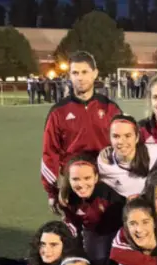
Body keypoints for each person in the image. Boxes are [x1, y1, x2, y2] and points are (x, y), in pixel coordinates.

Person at [41, 51, 122, 215]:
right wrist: (52, 191)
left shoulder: (110, 108)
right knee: (74, 233)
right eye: (75, 73)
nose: (80, 77)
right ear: (69, 76)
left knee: (107, 230)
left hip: (105, 180)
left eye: (84, 72)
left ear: (95, 73)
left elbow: (123, 145)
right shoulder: (58, 112)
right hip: (74, 182)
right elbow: (50, 152)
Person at [59, 154, 126, 265]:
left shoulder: (110, 196)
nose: (81, 184)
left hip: (115, 232)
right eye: (75, 179)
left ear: (96, 178)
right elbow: (74, 227)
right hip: (91, 232)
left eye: (87, 178)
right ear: (68, 179)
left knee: (109, 264)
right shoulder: (67, 199)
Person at [97, 115, 157, 198]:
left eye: (127, 136)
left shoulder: (155, 153)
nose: (121, 141)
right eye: (116, 136)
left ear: (137, 137)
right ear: (110, 138)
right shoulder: (104, 162)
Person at [110, 197, 157, 265]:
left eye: (145, 222)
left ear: (155, 222)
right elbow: (116, 253)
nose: (139, 229)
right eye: (132, 223)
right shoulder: (122, 239)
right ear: (126, 226)